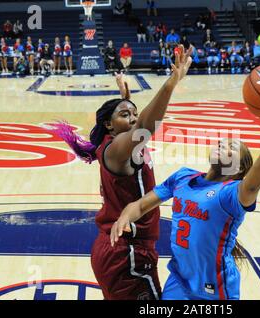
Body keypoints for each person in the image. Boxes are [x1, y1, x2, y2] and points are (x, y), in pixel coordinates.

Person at [111, 102, 260, 300]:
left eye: (231, 148)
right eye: (221, 143)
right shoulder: (182, 177)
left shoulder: (230, 194)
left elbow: (253, 185)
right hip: (179, 280)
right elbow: (141, 205)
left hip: (215, 288)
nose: (222, 145)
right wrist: (125, 216)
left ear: (239, 169)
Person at [52, 45, 193, 300]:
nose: (132, 117)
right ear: (108, 124)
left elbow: (134, 123)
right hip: (127, 255)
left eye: (134, 113)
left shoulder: (112, 143)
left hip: (117, 249)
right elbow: (143, 127)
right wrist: (171, 83)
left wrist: (124, 95)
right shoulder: (117, 149)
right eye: (125, 114)